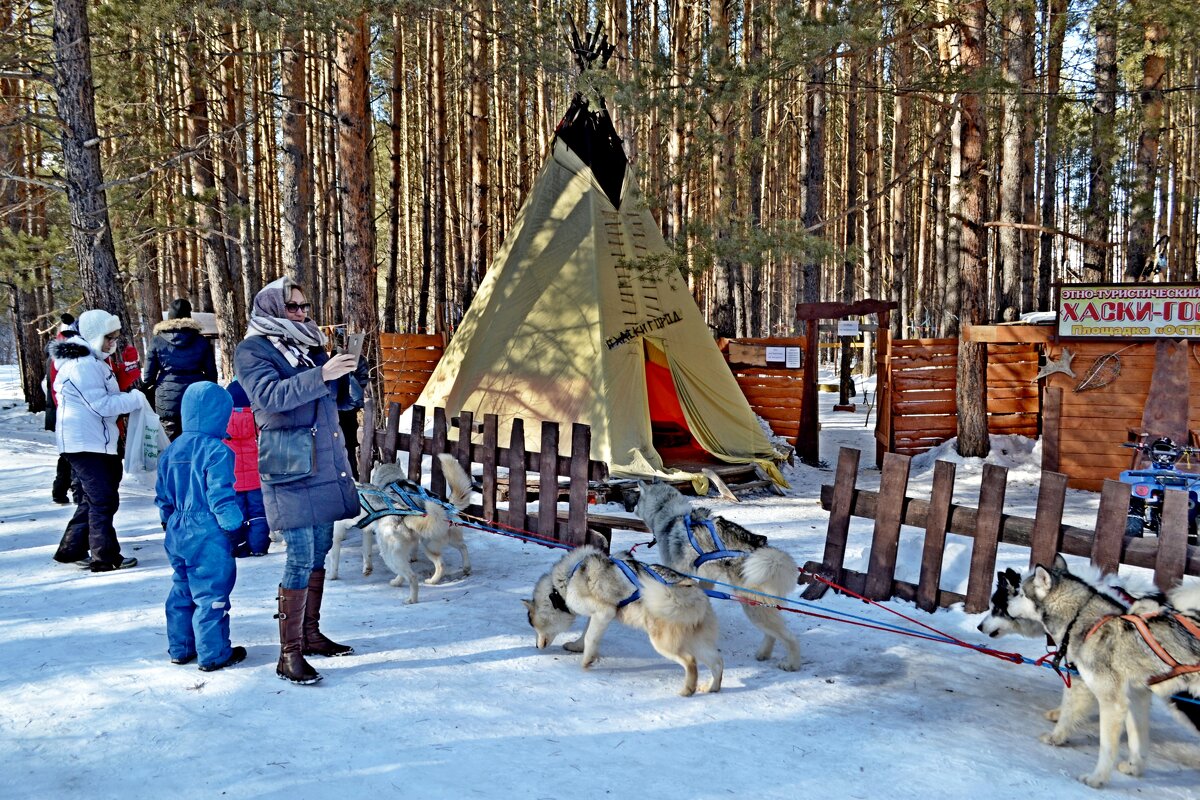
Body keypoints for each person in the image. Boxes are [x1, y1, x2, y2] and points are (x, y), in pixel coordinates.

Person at [234, 277, 360, 685]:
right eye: (293, 307)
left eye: (304, 306)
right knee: (301, 554)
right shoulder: (252, 349)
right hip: (289, 463)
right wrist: (322, 374)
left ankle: (308, 634)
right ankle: (287, 654)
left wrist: (343, 376)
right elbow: (269, 397)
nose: (302, 313)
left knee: (320, 549)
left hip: (322, 460)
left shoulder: (306, 344)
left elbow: (329, 397)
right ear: (272, 308)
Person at [155, 381, 246, 671]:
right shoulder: (217, 451)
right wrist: (234, 526)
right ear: (219, 414)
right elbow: (220, 494)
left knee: (182, 588)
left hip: (177, 529)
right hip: (206, 529)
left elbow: (163, 495)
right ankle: (214, 653)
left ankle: (181, 648)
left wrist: (167, 520)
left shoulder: (171, 449)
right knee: (211, 592)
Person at [50, 310, 147, 572]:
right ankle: (105, 557)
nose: (112, 344)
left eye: (115, 337)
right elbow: (101, 405)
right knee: (102, 499)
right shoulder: (83, 365)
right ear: (94, 336)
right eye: (108, 338)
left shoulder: (93, 360)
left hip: (94, 441)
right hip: (85, 443)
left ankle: (71, 549)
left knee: (94, 498)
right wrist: (135, 399)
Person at [142, 298, 218, 440]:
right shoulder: (201, 341)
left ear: (169, 317)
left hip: (166, 398)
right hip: (195, 396)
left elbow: (148, 377)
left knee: (169, 441)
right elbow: (211, 374)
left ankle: (171, 462)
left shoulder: (157, 341)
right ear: (189, 316)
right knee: (195, 439)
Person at [223, 380, 270, 557]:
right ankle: (259, 547)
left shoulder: (222, 423)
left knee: (237, 515)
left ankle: (238, 547)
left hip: (233, 481)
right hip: (256, 481)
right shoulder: (258, 421)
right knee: (258, 514)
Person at [46, 313, 78, 504]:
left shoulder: (53, 352)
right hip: (66, 409)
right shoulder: (65, 354)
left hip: (59, 409)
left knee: (66, 452)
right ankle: (73, 490)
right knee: (73, 453)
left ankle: (60, 489)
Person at [334, 333, 371, 480]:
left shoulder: (360, 361)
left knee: (348, 457)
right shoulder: (328, 360)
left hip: (347, 417)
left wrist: (350, 374)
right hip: (331, 415)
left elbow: (358, 397)